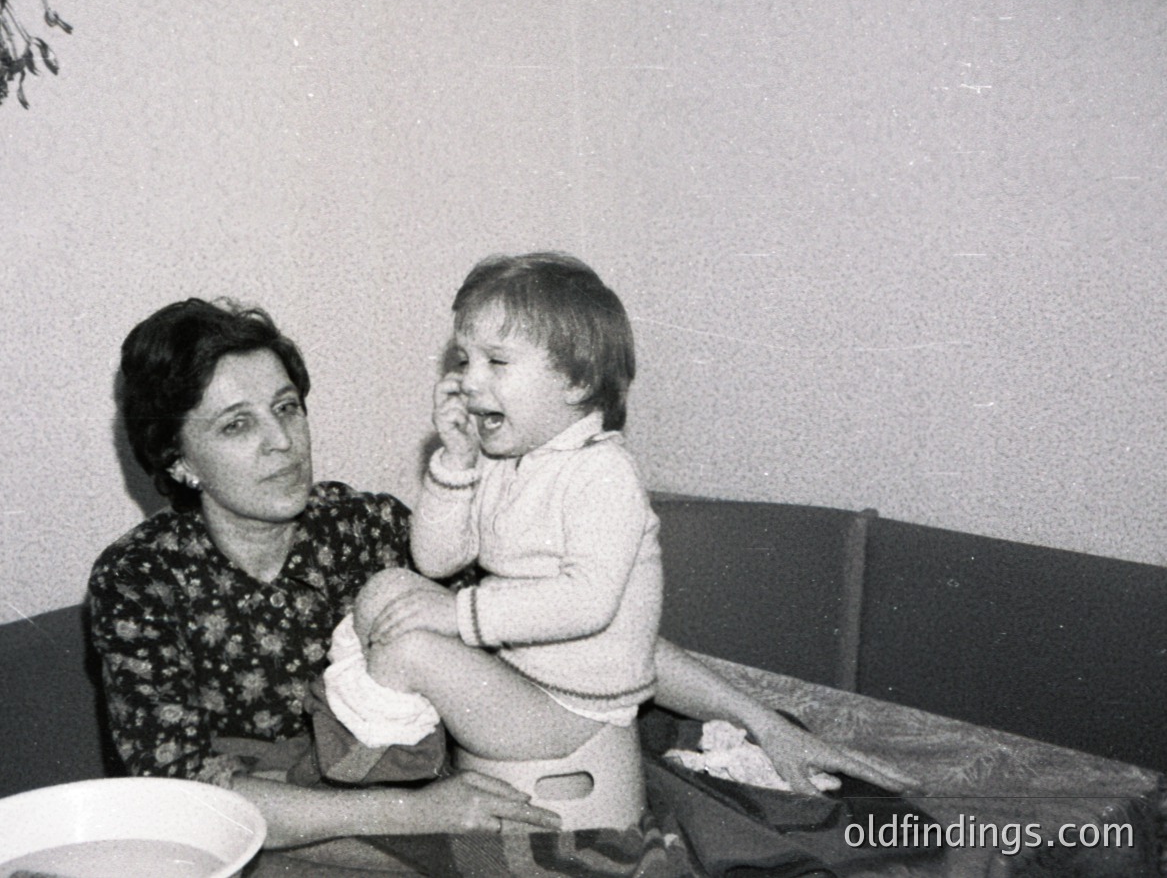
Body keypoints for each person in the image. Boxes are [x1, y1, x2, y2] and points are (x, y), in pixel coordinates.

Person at [86, 295, 914, 850]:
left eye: (287, 406)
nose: (280, 440)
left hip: (446, 787)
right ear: (177, 459)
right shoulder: (138, 583)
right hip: (279, 831)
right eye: (236, 424)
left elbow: (563, 626)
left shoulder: (365, 525)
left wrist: (757, 718)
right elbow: (185, 796)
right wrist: (416, 811)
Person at [323, 253, 661, 829]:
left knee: (411, 650)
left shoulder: (603, 475)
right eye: (465, 359)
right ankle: (377, 716)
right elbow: (435, 559)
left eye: (497, 362)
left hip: (575, 712)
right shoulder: (509, 461)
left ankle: (371, 764)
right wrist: (455, 464)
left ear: (577, 381)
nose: (469, 380)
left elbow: (586, 601)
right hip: (519, 675)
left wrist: (456, 615)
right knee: (385, 590)